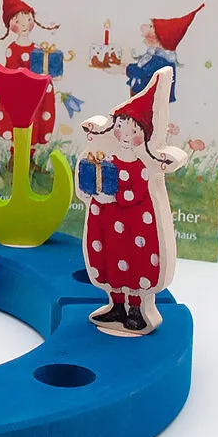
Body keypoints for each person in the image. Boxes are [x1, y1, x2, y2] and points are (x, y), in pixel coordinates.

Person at [77, 67, 187, 336]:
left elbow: (134, 193)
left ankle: (136, 310)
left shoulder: (141, 166)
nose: (125, 134)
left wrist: (112, 195)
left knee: (133, 262)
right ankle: (116, 306)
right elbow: (95, 180)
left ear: (144, 132)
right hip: (108, 221)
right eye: (120, 127)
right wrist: (94, 189)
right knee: (111, 258)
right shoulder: (108, 159)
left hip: (134, 224)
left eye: (132, 129)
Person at [0, 0, 59, 148]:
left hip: (37, 93)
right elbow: (10, 73)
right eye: (18, 21)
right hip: (19, 94)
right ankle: (16, 154)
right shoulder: (12, 49)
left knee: (36, 119)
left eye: (28, 19)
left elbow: (44, 70)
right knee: (19, 123)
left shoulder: (38, 49)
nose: (24, 25)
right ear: (10, 24)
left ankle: (32, 153)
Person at [126, 3, 204, 103]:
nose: (144, 27)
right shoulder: (152, 56)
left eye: (151, 27)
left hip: (150, 102)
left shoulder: (162, 61)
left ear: (159, 38)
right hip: (139, 97)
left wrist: (126, 68)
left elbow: (142, 72)